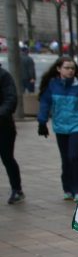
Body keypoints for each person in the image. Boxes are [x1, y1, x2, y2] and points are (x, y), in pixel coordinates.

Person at [37, 56, 78, 201]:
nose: (70, 71)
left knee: (73, 156)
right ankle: (67, 188)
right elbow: (45, 104)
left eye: (72, 68)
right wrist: (42, 122)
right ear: (59, 69)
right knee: (65, 159)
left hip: (77, 126)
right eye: (67, 68)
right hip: (60, 127)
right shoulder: (52, 85)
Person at [0, 63, 23, 204]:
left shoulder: (3, 75)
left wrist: (1, 113)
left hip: (3, 126)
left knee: (7, 158)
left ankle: (17, 189)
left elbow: (11, 99)